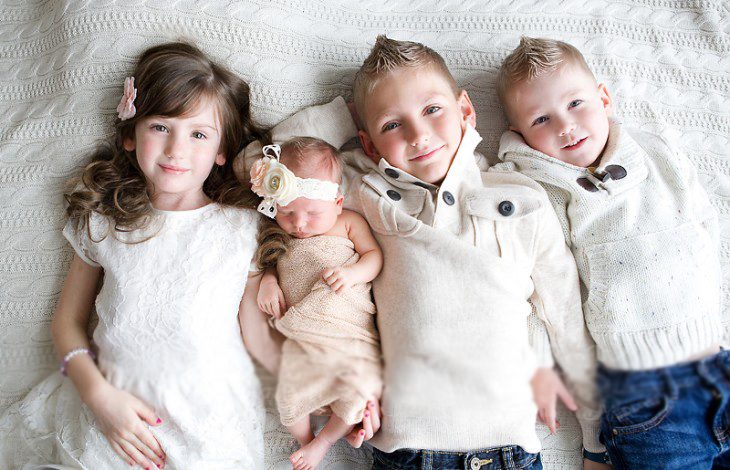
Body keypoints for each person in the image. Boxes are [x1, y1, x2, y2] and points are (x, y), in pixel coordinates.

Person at [236, 35, 605, 470]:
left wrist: (595, 442)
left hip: (507, 447)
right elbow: (251, 164)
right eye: (393, 125)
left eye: (433, 109)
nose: (418, 134)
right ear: (370, 145)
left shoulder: (521, 198)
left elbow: (565, 320)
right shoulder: (361, 188)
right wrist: (350, 113)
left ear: (466, 111)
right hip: (407, 450)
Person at [0, 42, 268, 469]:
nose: (177, 150)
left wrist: (317, 386)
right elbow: (68, 322)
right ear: (131, 134)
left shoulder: (241, 228)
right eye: (161, 127)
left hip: (206, 423)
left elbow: (259, 338)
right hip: (113, 415)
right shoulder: (105, 223)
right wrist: (99, 396)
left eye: (198, 133)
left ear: (222, 150)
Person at [497, 36, 724, 469]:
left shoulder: (654, 152)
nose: (565, 126)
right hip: (645, 398)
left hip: (717, 365)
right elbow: (556, 308)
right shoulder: (543, 193)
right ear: (517, 134)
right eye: (542, 118)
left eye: (576, 104)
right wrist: (593, 436)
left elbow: (706, 230)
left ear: (604, 98)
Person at [248, 137, 383, 470]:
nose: (300, 223)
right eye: (288, 212)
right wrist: (267, 282)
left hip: (347, 331)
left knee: (358, 388)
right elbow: (267, 264)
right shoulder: (279, 236)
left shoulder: (349, 222)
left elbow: (374, 257)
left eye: (312, 213)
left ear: (337, 202)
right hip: (304, 341)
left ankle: (325, 440)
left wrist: (353, 274)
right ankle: (307, 441)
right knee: (289, 398)